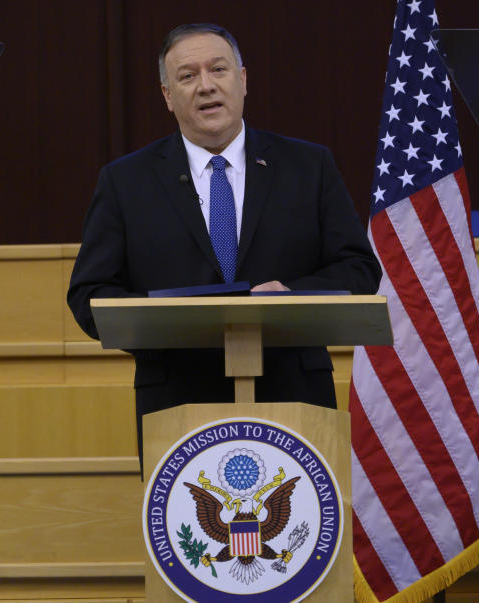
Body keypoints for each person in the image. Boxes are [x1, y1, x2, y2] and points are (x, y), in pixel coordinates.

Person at [67, 23, 381, 459]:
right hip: (176, 404)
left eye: (218, 69)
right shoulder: (125, 182)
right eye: (188, 76)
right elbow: (89, 294)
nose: (206, 86)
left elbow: (360, 270)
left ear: (243, 79)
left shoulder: (309, 167)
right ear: (166, 95)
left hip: (294, 397)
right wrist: (168, 321)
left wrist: (293, 296)